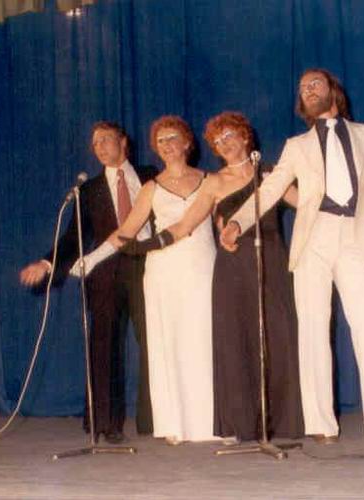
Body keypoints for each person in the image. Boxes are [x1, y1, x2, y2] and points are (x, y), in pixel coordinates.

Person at [221, 69, 364, 444]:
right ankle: (320, 424)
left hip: (355, 236)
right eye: (302, 88)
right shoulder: (297, 146)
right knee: (313, 329)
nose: (308, 90)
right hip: (313, 239)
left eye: (315, 84)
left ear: (333, 91)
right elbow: (271, 188)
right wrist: (237, 222)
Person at [124, 112, 303, 442]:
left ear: (245, 137)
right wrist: (141, 246)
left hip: (273, 261)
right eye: (218, 142)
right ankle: (243, 424)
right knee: (237, 343)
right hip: (234, 267)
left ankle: (283, 423)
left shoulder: (271, 174)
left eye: (229, 136)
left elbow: (306, 204)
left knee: (279, 337)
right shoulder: (214, 182)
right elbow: (185, 225)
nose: (225, 144)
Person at [75, 116, 218, 444]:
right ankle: (175, 423)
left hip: (201, 265)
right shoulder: (152, 186)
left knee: (204, 338)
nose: (167, 145)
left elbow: (220, 215)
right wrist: (91, 259)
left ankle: (214, 421)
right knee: (169, 343)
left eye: (172, 138)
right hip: (163, 270)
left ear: (187, 142)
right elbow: (125, 231)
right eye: (160, 141)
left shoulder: (209, 179)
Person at [19, 121, 156, 444]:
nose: (100, 147)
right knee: (104, 346)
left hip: (150, 267)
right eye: (95, 143)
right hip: (106, 273)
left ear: (124, 142)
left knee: (155, 341)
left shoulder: (151, 176)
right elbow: (73, 237)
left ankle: (156, 418)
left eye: (106, 140)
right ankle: (105, 423)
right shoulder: (88, 190)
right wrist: (47, 262)